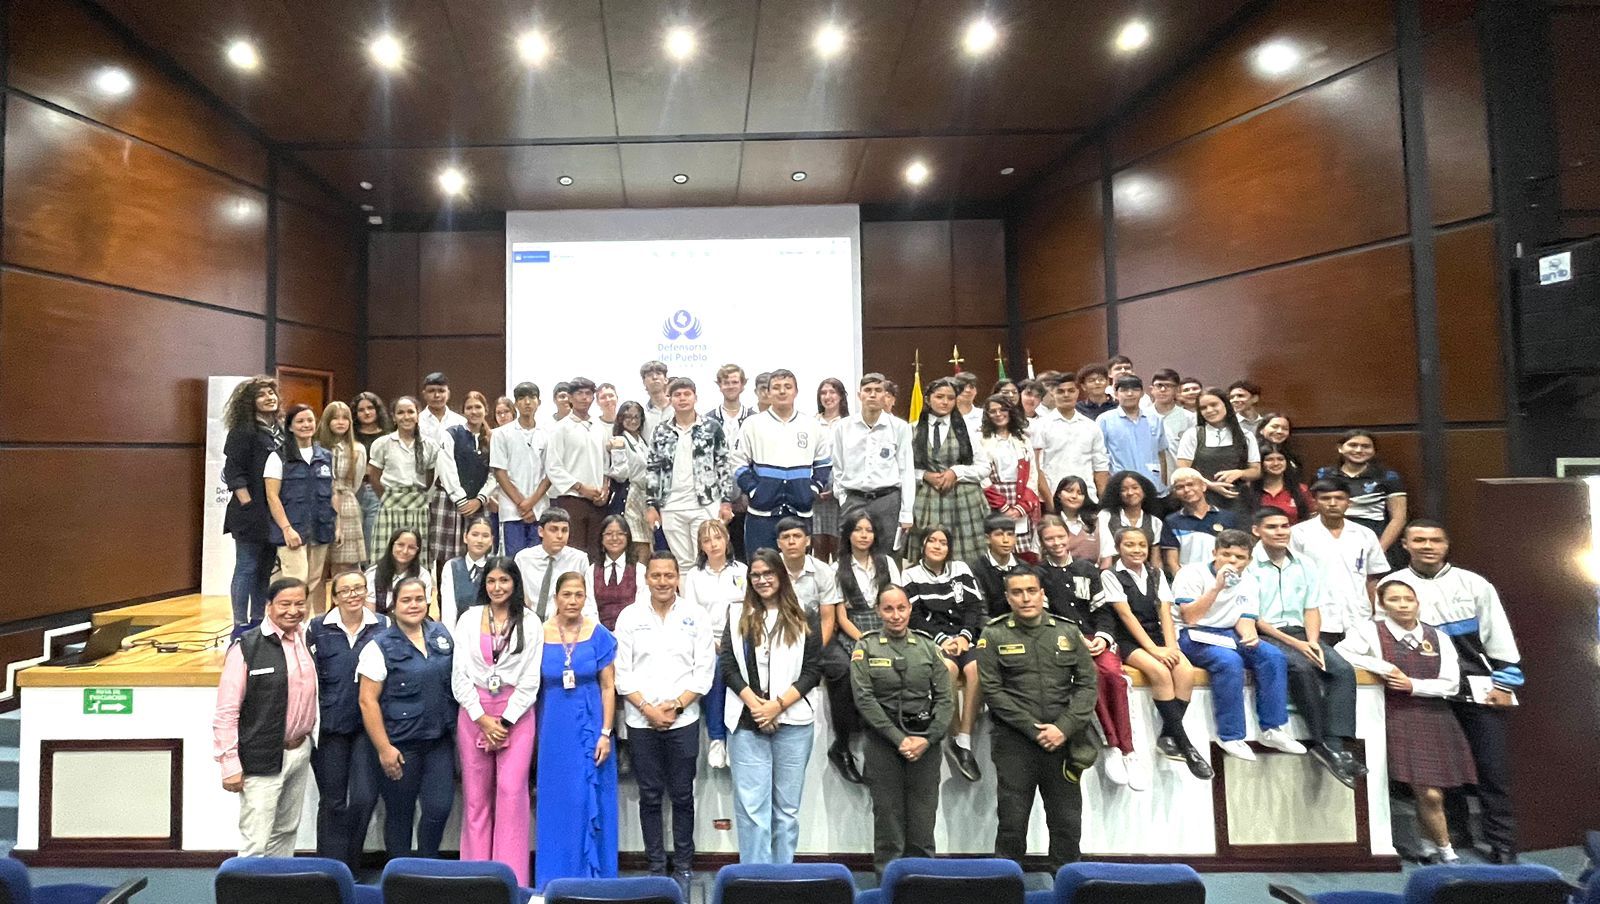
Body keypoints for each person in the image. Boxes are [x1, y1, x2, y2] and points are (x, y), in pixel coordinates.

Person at [1397, 520, 1524, 863]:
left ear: (1446, 544)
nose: (1427, 546)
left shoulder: (1474, 583)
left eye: (1435, 540)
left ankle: (1502, 844)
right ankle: (1456, 831)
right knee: (1443, 769)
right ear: (1405, 544)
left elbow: (1499, 634)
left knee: (1492, 769)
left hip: (1479, 688)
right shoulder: (1395, 586)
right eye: (1419, 540)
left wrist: (1504, 683)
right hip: (1428, 692)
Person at [1337, 577, 1476, 864]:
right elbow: (1341, 653)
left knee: (1432, 790)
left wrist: (1413, 685)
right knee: (1427, 791)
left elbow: (1451, 684)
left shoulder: (1439, 637)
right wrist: (1384, 667)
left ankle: (1427, 845)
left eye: (1408, 599)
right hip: (1395, 714)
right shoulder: (1369, 631)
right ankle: (1448, 853)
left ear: (1417, 603)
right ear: (1382, 605)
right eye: (1394, 599)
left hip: (1435, 715)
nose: (1402, 605)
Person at [977, 566, 1098, 873]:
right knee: (1012, 822)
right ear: (1008, 597)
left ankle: (1067, 887)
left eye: (1031, 591)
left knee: (1067, 823)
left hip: (1063, 742)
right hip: (1014, 743)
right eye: (1017, 592)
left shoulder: (1067, 631)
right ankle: (1006, 888)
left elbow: (1087, 686)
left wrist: (1063, 728)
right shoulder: (993, 634)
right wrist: (1036, 730)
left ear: (1042, 594)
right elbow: (992, 692)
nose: (1025, 598)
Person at [615, 554, 716, 890]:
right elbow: (622, 674)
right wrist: (648, 709)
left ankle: (684, 865)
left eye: (668, 575)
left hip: (683, 720)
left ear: (677, 578)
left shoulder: (696, 615)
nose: (662, 581)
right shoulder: (630, 617)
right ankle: (656, 866)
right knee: (650, 796)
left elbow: (704, 671)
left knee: (683, 795)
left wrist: (676, 705)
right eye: (656, 575)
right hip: (641, 721)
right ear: (647, 579)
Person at [720, 549, 825, 864]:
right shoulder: (735, 613)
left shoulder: (805, 614)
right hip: (746, 720)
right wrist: (757, 707)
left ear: (780, 575)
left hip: (793, 721)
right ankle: (755, 881)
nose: (762, 580)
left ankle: (782, 879)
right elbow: (727, 666)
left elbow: (813, 670)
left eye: (768, 573)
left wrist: (776, 707)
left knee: (786, 811)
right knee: (752, 809)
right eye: (756, 575)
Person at [1250, 508, 1364, 787]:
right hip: (1265, 634)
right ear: (1257, 531)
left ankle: (1336, 744)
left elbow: (1311, 608)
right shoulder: (1249, 566)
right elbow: (1255, 618)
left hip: (1303, 632)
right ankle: (1321, 743)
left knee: (1342, 670)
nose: (1280, 532)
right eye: (1272, 527)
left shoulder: (1304, 563)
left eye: (1284, 526)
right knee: (1301, 667)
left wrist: (1312, 641)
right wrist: (1298, 645)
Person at [1171, 530, 1306, 761]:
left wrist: (1250, 636)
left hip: (1228, 632)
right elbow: (1190, 617)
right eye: (1226, 554)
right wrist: (1216, 587)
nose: (1232, 561)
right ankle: (1230, 735)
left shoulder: (1250, 581)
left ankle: (1272, 728)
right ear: (1214, 553)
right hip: (1192, 633)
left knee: (1272, 656)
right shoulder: (1191, 573)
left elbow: (1245, 618)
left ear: (1249, 560)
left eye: (1240, 557)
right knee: (1229, 661)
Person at [451, 556, 543, 885]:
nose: (497, 587)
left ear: (515, 583)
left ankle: (511, 881)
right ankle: (474, 880)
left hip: (516, 713)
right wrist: (481, 718)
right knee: (475, 798)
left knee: (511, 794)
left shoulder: (530, 621)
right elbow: (459, 675)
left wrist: (503, 721)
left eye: (504, 580)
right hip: (474, 711)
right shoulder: (468, 619)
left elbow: (531, 679)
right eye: (491, 581)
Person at [852, 584, 955, 874]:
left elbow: (945, 699)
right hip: (883, 740)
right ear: (878, 611)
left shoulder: (927, 646)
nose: (896, 615)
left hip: (924, 740)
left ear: (910, 609)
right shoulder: (866, 647)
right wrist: (898, 739)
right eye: (888, 609)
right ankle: (888, 883)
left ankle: (922, 882)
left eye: (901, 608)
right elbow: (864, 698)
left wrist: (927, 739)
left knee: (923, 818)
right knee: (888, 817)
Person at [1036, 517, 1141, 790]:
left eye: (1060, 537)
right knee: (1091, 676)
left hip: (1096, 638)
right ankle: (1111, 745)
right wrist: (1076, 638)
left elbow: (1103, 612)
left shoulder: (1087, 569)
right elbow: (1044, 617)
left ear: (1068, 537)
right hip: (1064, 641)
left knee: (1115, 676)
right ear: (1042, 543)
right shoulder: (1039, 574)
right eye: (1049, 539)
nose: (1056, 543)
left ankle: (1129, 749)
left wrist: (1103, 638)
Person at [213, 577, 316, 856]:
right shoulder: (246, 648)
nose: (293, 611)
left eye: (299, 604)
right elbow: (226, 712)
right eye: (285, 604)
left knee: (286, 830)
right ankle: (246, 883)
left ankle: (277, 881)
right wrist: (229, 764)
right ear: (268, 606)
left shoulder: (307, 640)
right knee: (256, 840)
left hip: (299, 751)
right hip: (261, 755)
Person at [1100, 527, 1212, 779]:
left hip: (1158, 636)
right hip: (1128, 639)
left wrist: (1171, 647)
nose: (1137, 550)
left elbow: (1165, 613)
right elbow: (1125, 616)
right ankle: (1186, 746)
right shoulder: (1110, 575)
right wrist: (1153, 650)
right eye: (1130, 544)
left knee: (1185, 671)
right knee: (1160, 672)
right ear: (1118, 548)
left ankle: (1168, 736)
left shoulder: (1156, 573)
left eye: (1142, 545)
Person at [357, 576, 456, 860]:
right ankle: (399, 876)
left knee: (439, 808)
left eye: (419, 599)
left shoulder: (441, 635)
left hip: (439, 741)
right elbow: (367, 701)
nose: (414, 605)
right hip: (400, 745)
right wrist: (384, 749)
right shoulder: (378, 646)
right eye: (406, 600)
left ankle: (427, 868)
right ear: (394, 605)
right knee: (400, 813)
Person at [535, 572, 619, 888]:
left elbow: (608, 687)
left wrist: (605, 733)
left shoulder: (598, 634)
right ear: (556, 597)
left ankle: (595, 883)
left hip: (591, 729)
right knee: (557, 806)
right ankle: (554, 881)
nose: (572, 601)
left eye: (578, 595)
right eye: (566, 594)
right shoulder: (539, 633)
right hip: (553, 731)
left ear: (586, 598)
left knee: (589, 800)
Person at [306, 570, 386, 867]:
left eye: (359, 588)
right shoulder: (316, 628)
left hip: (368, 727)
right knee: (333, 802)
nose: (353, 595)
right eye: (346, 590)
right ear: (335, 596)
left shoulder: (383, 626)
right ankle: (329, 871)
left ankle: (349, 866)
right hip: (330, 727)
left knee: (364, 798)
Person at [901, 525, 985, 782]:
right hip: (932, 640)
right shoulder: (910, 575)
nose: (937, 546)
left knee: (976, 669)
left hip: (964, 637)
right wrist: (942, 640)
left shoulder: (961, 569)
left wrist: (965, 636)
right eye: (932, 541)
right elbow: (914, 617)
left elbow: (974, 607)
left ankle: (965, 739)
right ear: (923, 545)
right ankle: (954, 735)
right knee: (947, 669)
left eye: (943, 542)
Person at [827, 511, 901, 784]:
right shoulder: (837, 567)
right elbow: (840, 616)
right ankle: (842, 744)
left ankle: (880, 749)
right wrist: (864, 639)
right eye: (858, 530)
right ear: (848, 534)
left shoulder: (887, 563)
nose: (863, 535)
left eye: (868, 530)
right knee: (851, 672)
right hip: (854, 629)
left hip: (886, 625)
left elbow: (896, 602)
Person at [729, 369, 832, 555]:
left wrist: (812, 489)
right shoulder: (753, 424)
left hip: (799, 512)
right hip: (761, 514)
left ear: (796, 392)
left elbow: (824, 463)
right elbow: (737, 462)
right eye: (776, 387)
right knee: (761, 565)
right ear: (768, 392)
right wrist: (753, 490)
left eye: (787, 387)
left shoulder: (812, 425)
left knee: (797, 568)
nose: (782, 391)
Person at [646, 378, 735, 571]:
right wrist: (651, 505)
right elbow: (653, 468)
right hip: (671, 505)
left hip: (705, 502)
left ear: (696, 398)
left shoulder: (712, 427)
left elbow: (723, 464)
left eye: (687, 394)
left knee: (709, 558)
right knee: (682, 563)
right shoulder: (661, 431)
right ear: (670, 399)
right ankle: (687, 592)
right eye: (677, 395)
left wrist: (726, 501)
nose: (682, 398)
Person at [682, 519, 746, 770]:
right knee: (716, 669)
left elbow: (750, 610)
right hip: (707, 642)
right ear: (701, 546)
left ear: (727, 539)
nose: (713, 544)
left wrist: (733, 641)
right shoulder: (694, 576)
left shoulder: (742, 571)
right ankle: (717, 737)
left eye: (717, 538)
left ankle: (734, 736)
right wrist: (712, 642)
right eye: (707, 540)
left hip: (740, 638)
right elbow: (691, 617)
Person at [1290, 479, 1389, 642]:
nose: (1332, 503)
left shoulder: (1365, 534)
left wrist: (1375, 612)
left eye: (1339, 498)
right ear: (1315, 503)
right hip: (1316, 618)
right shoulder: (1298, 533)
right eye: (1325, 498)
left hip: (1358, 616)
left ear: (1349, 503)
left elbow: (1373, 578)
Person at [831, 373, 915, 558]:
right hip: (853, 498)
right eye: (867, 390)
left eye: (878, 390)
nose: (872, 395)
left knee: (887, 556)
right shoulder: (842, 427)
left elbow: (906, 471)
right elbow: (837, 467)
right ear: (859, 394)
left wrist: (906, 512)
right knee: (849, 553)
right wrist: (843, 497)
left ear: (885, 395)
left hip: (887, 500)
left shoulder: (899, 427)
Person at [909, 376, 992, 564]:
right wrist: (924, 475)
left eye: (950, 398)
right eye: (939, 397)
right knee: (930, 552)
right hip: (927, 500)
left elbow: (984, 467)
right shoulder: (912, 430)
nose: (945, 402)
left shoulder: (966, 429)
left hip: (964, 501)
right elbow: (901, 470)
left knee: (969, 557)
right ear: (928, 399)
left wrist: (956, 472)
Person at [223, 375, 284, 624]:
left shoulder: (280, 431)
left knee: (265, 569)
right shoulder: (243, 431)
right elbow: (233, 472)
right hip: (250, 511)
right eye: (261, 395)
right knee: (246, 566)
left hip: (273, 510)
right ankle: (239, 624)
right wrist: (248, 504)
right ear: (250, 402)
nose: (269, 398)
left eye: (271, 393)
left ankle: (258, 620)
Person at [266, 403, 337, 610]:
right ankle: (289, 624)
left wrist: (337, 524)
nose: (306, 425)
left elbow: (332, 493)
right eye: (300, 421)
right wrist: (286, 528)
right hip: (292, 529)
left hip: (321, 527)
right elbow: (272, 496)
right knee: (295, 581)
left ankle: (306, 626)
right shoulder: (278, 456)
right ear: (290, 426)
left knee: (314, 582)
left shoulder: (325, 456)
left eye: (310, 420)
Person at [1315, 430, 1408, 567]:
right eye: (1353, 445)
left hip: (1375, 536)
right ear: (1340, 448)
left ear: (1374, 451)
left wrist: (1379, 550)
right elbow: (1315, 510)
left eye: (1366, 446)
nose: (1359, 450)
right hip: (1331, 537)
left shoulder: (1388, 477)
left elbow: (1399, 518)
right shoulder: (1324, 474)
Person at [367, 396, 442, 563]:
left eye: (410, 412)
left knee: (415, 553)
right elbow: (374, 476)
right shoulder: (383, 443)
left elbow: (429, 477)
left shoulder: (429, 445)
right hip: (390, 503)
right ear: (394, 417)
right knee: (387, 553)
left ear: (417, 415)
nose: (406, 416)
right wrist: (388, 498)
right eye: (400, 413)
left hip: (417, 503)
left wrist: (416, 495)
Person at [430, 390, 496, 572]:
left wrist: (480, 498)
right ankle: (445, 590)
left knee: (478, 552)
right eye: (469, 408)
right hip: (450, 501)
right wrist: (460, 499)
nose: (474, 411)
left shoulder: (492, 438)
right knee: (446, 557)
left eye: (478, 407)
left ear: (486, 410)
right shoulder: (451, 434)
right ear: (463, 411)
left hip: (479, 503)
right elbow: (446, 468)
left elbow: (494, 473)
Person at [547, 377, 611, 556]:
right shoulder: (560, 428)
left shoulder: (599, 427)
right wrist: (581, 488)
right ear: (570, 397)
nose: (584, 398)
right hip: (572, 499)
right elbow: (553, 467)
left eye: (588, 394)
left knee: (596, 553)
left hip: (597, 501)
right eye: (579, 393)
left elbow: (606, 463)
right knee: (573, 552)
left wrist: (605, 488)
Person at [490, 382, 552, 559]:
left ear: (539, 402)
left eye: (532, 397)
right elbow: (500, 472)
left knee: (538, 560)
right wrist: (522, 504)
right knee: (513, 561)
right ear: (516, 403)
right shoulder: (501, 434)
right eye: (522, 398)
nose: (527, 402)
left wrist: (531, 502)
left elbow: (550, 473)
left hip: (539, 509)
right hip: (512, 510)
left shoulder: (548, 433)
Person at [1176, 386, 1261, 515]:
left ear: (1226, 405)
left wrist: (1240, 473)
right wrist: (1210, 485)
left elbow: (1256, 471)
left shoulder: (1246, 436)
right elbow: (1183, 471)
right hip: (1202, 501)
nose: (1209, 410)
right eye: (1203, 408)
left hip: (1239, 502)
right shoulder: (1192, 435)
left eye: (1214, 405)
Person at [979, 393, 1042, 559]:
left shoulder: (1022, 439)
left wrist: (1021, 507)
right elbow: (981, 475)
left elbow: (1032, 474)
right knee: (997, 544)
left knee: (1023, 552)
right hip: (993, 498)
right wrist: (1003, 506)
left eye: (1002, 409)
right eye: (993, 411)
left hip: (1020, 498)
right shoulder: (981, 439)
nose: (998, 414)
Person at [1032, 376, 1110, 506]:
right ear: (1052, 393)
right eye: (1060, 391)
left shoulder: (1091, 427)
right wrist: (1050, 502)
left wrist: (1103, 502)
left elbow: (1100, 466)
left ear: (1078, 392)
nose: (1066, 395)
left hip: (1087, 498)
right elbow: (1036, 468)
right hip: (1053, 498)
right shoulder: (1040, 426)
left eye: (1071, 391)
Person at [513, 508, 594, 622]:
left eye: (564, 530)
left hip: (565, 622)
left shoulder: (579, 559)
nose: (560, 535)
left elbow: (587, 599)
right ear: (541, 531)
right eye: (553, 530)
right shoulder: (523, 558)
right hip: (528, 621)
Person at [1097, 375, 1168, 499]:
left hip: (1153, 488)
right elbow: (1100, 457)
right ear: (1116, 394)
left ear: (1142, 393)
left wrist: (1162, 482)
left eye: (1135, 389)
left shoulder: (1155, 419)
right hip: (1122, 490)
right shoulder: (1105, 420)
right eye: (1124, 390)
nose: (1130, 394)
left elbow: (1161, 455)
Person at [1160, 467, 1242, 573]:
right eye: (1180, 487)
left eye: (1191, 484)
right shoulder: (1171, 521)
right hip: (1188, 578)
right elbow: (1172, 562)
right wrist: (1183, 580)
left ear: (1203, 486)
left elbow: (1236, 552)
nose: (1186, 490)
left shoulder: (1227, 517)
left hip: (1221, 576)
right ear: (1175, 493)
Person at [320, 402, 369, 571]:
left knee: (345, 563)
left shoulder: (357, 449)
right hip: (320, 502)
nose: (340, 422)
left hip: (346, 502)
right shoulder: (318, 447)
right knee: (319, 565)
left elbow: (356, 482)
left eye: (345, 418)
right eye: (335, 418)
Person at [606, 401, 653, 559]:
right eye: (628, 417)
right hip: (629, 496)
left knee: (647, 543)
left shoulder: (642, 442)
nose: (632, 421)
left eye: (636, 417)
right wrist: (618, 450)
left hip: (645, 497)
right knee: (636, 541)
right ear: (620, 419)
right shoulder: (619, 440)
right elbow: (620, 475)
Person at [811, 378, 850, 563]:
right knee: (818, 544)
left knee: (839, 546)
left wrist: (835, 487)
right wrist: (814, 486)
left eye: (832, 392)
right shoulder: (811, 423)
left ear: (841, 396)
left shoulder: (849, 423)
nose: (828, 397)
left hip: (840, 493)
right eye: (823, 393)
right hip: (816, 494)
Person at [588, 515, 648, 631]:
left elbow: (642, 606)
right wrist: (601, 633)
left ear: (628, 537)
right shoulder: (592, 571)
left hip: (632, 632)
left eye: (620, 534)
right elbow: (589, 608)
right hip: (599, 633)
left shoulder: (639, 570)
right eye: (609, 534)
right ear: (601, 538)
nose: (614, 538)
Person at [1096, 471, 1165, 570]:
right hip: (1112, 572)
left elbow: (1155, 560)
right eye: (1124, 490)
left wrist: (1158, 576)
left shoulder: (1155, 522)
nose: (1130, 493)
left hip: (1142, 573)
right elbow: (1106, 554)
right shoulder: (1106, 516)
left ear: (1144, 491)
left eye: (1135, 488)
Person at [352, 391, 392, 550]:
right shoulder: (350, 435)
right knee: (353, 540)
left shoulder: (388, 435)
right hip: (353, 489)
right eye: (361, 410)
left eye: (370, 408)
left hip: (378, 489)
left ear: (377, 410)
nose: (366, 412)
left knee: (372, 536)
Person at [439, 516, 495, 628]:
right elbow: (449, 609)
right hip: (460, 631)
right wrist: (451, 637)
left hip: (489, 631)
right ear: (465, 537)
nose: (479, 540)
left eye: (485, 536)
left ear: (491, 540)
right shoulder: (452, 566)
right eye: (475, 535)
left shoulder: (496, 566)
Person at [366, 528, 434, 614]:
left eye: (411, 547)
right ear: (392, 545)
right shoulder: (373, 573)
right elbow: (370, 614)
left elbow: (422, 612)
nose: (405, 551)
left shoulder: (423, 575)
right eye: (400, 545)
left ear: (418, 551)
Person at [970, 513, 1023, 617]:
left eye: (1010, 534)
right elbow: (980, 609)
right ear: (987, 538)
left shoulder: (1024, 568)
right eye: (999, 534)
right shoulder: (976, 570)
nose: (1006, 540)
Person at [1149, 369, 1197, 479]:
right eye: (1159, 385)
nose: (1163, 389)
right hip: (1148, 479)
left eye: (1168, 386)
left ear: (1177, 390)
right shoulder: (1141, 417)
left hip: (1180, 478)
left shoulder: (1189, 418)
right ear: (1152, 389)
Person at [1252, 442, 1310, 523]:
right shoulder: (1249, 490)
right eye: (1269, 459)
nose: (1276, 463)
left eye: (1280, 459)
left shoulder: (1302, 490)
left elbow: (1308, 520)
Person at [1051, 476, 1101, 563]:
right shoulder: (1049, 522)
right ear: (1059, 494)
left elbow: (1105, 555)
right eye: (1069, 491)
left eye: (1080, 493)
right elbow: (1038, 555)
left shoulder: (1095, 522)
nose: (1074, 496)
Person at [417, 371, 467, 447]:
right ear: (424, 394)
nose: (436, 395)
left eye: (441, 391)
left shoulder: (461, 422)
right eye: (431, 391)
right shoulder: (417, 422)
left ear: (448, 394)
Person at [639, 360, 672, 435]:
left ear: (666, 379)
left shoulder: (677, 408)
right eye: (649, 375)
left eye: (658, 373)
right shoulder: (642, 413)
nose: (654, 377)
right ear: (644, 382)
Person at [953, 371, 983, 435]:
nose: (967, 390)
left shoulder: (984, 415)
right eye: (962, 387)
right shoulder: (944, 415)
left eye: (971, 387)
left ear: (976, 391)